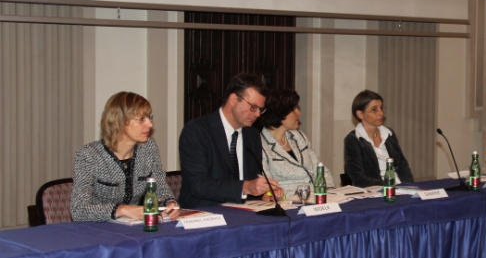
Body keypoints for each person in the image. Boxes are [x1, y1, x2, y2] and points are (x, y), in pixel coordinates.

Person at [178, 73, 284, 208]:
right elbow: (199, 185)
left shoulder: (252, 135)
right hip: (205, 211)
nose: (257, 114)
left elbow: (252, 180)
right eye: (253, 107)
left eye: (260, 109)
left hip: (244, 211)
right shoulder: (197, 131)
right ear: (233, 99)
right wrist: (246, 187)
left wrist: (264, 193)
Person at [71, 92, 180, 222]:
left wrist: (169, 203)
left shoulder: (148, 147)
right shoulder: (89, 155)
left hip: (133, 227)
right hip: (97, 228)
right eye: (141, 119)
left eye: (149, 117)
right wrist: (121, 210)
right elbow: (78, 210)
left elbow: (160, 188)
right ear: (120, 122)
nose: (150, 124)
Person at [259, 88, 334, 196]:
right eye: (294, 109)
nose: (299, 113)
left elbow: (320, 170)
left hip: (317, 197)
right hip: (288, 201)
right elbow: (268, 186)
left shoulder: (298, 136)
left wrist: (330, 192)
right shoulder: (261, 144)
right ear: (280, 113)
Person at [344, 90, 414, 188]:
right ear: (360, 114)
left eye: (381, 108)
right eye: (374, 110)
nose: (381, 113)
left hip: (399, 187)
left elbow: (403, 166)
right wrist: (390, 185)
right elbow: (358, 178)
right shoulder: (353, 139)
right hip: (376, 190)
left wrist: (409, 186)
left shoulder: (389, 134)